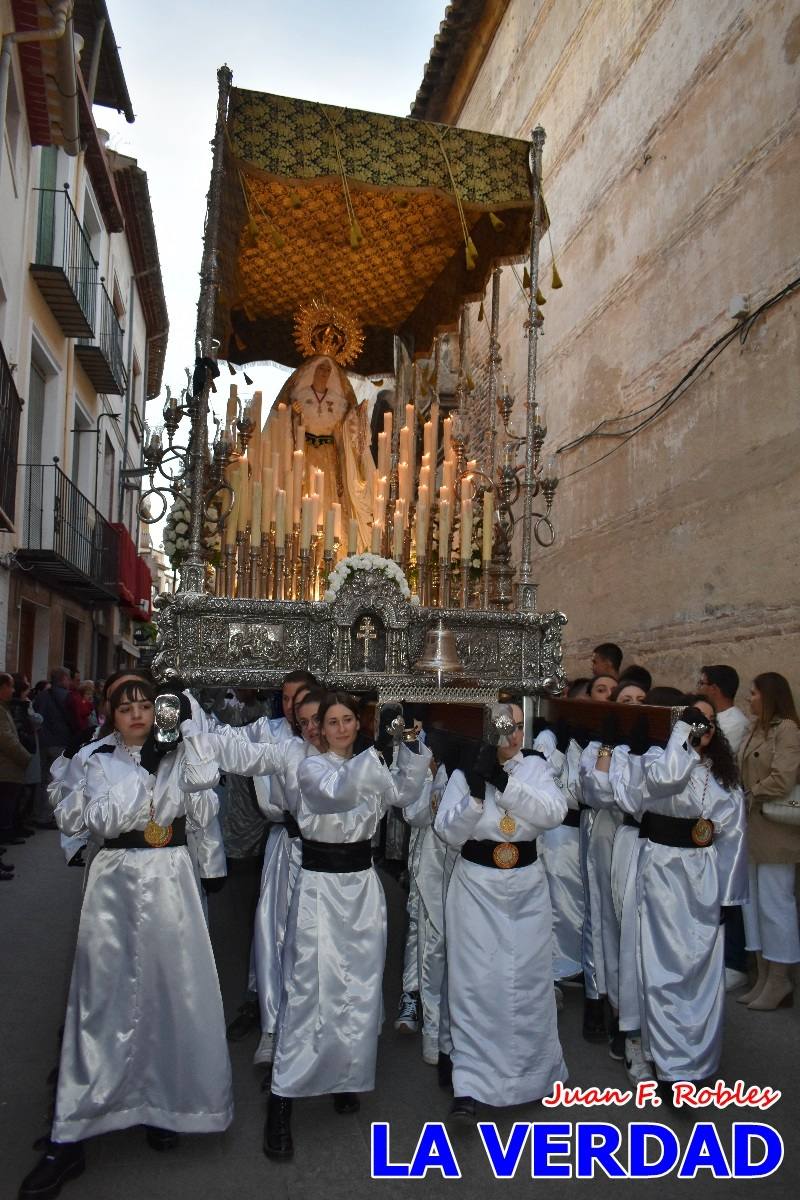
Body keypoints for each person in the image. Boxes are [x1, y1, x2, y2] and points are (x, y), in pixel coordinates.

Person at [20, 678, 232, 1199]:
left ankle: (164, 1103)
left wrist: (177, 753)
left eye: (145, 705)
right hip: (114, 881)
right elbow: (79, 819)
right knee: (100, 1003)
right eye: (125, 707)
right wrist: (96, 774)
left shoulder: (182, 751)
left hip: (172, 880)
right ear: (110, 715)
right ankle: (69, 1133)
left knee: (170, 993)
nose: (137, 715)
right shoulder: (92, 758)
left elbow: (203, 812)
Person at [265, 693, 431, 1160]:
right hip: (319, 887)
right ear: (319, 727)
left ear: (359, 723)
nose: (339, 728)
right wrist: (377, 755)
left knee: (357, 987)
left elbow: (402, 792)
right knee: (309, 988)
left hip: (361, 886)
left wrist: (410, 745)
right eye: (330, 721)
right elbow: (335, 793)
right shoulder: (310, 767)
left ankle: (344, 1074)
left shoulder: (368, 762)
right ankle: (282, 1099)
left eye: (347, 720)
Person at [434, 702, 567, 1118]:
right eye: (505, 729)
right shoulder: (464, 771)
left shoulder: (535, 767)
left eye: (519, 729)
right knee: (476, 983)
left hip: (526, 886)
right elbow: (447, 831)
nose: (513, 738)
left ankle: (536, 1075)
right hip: (477, 885)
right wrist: (476, 792)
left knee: (528, 981)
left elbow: (553, 812)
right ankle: (470, 1083)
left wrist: (505, 784)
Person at [638, 698, 747, 1085]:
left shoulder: (724, 774)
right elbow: (664, 781)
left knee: (701, 969)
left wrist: (727, 899)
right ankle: (668, 1065)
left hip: (704, 877)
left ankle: (698, 1059)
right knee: (665, 966)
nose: (702, 727)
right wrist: (682, 737)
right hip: (664, 869)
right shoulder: (659, 756)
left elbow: (733, 834)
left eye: (707, 721)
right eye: (691, 718)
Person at [738, 672, 800, 1011]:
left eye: (754, 693)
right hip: (752, 827)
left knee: (777, 904)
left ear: (770, 695)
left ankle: (781, 980)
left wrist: (751, 794)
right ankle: (763, 974)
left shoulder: (787, 729)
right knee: (754, 905)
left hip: (776, 829)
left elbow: (784, 777)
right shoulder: (754, 728)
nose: (750, 698)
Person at [0, 673, 32, 858]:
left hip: (8, 768)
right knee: (5, 809)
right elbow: (6, 739)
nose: (13, 691)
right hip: (5, 768)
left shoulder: (5, 708)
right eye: (10, 686)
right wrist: (25, 757)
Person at [697, 665, 750, 754]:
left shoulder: (736, 723)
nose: (698, 689)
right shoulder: (707, 715)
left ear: (714, 688)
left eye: (701, 683)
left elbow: (719, 757)